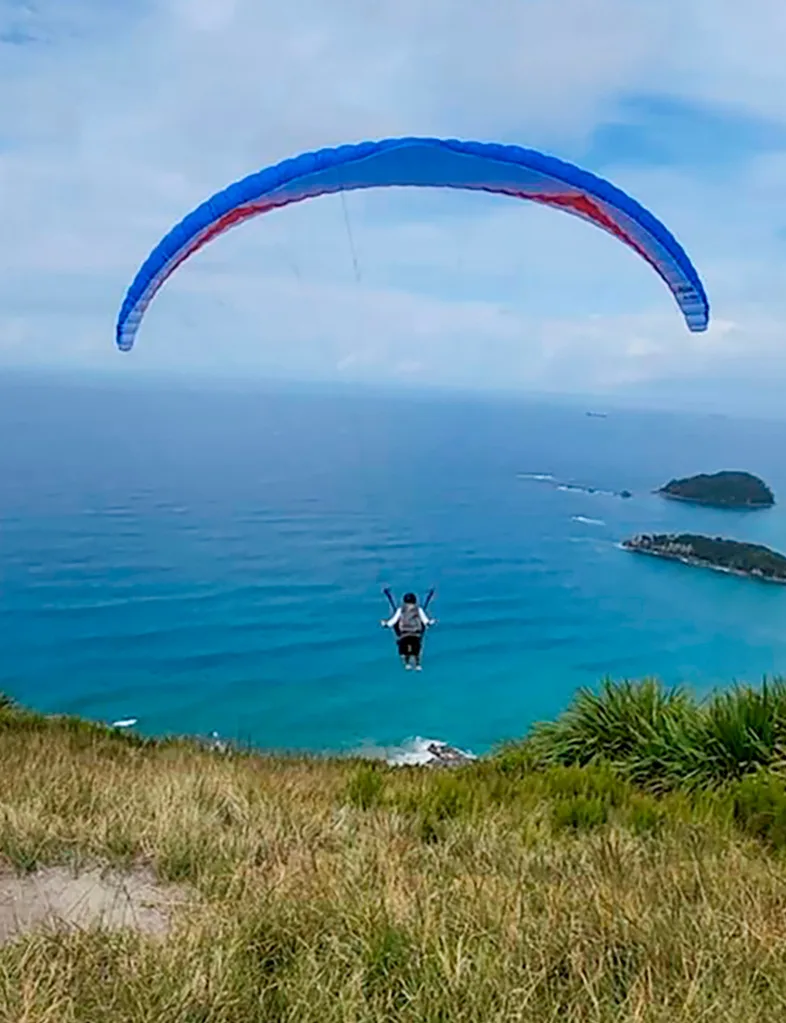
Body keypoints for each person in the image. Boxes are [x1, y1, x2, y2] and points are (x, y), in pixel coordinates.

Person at [381, 592, 435, 670]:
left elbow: (393, 621)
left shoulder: (401, 609)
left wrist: (385, 624)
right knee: (416, 649)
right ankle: (417, 664)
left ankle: (407, 663)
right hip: (416, 634)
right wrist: (430, 623)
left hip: (404, 634)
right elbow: (425, 620)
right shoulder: (418, 609)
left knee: (404, 650)